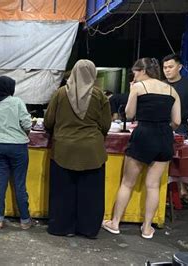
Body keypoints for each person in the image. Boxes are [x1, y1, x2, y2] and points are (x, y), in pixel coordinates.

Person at [102, 58, 181, 239]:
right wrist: (165, 128)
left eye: (135, 72)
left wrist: (132, 92)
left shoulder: (138, 87)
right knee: (153, 185)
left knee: (127, 183)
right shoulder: (172, 90)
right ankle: (147, 228)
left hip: (144, 134)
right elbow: (176, 121)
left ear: (142, 71)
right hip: (164, 137)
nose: (134, 75)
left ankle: (114, 223)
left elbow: (129, 115)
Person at [44, 60, 111, 239]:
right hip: (92, 152)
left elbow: (48, 121)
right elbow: (106, 124)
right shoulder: (99, 95)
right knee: (91, 194)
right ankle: (88, 229)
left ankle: (62, 227)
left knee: (63, 192)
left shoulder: (60, 94)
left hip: (63, 151)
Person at [0, 76, 32, 230]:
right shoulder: (16, 102)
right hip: (18, 147)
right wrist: (26, 132)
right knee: (19, 184)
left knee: (0, 184)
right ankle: (25, 220)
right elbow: (26, 123)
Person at [162, 54, 188, 206]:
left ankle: (182, 191)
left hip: (181, 128)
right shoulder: (161, 85)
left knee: (180, 162)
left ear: (179, 67)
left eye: (170, 67)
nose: (167, 70)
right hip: (161, 127)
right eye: (164, 67)